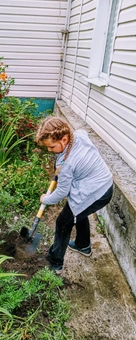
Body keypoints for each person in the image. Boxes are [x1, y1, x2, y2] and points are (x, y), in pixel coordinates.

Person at [35, 116, 113, 275]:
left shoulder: (67, 164)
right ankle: (83, 245)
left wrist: (46, 199)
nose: (49, 150)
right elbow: (83, 131)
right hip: (105, 183)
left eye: (51, 147)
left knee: (63, 222)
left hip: (96, 192)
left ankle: (55, 262)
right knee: (78, 212)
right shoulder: (77, 135)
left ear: (64, 139)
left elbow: (62, 192)